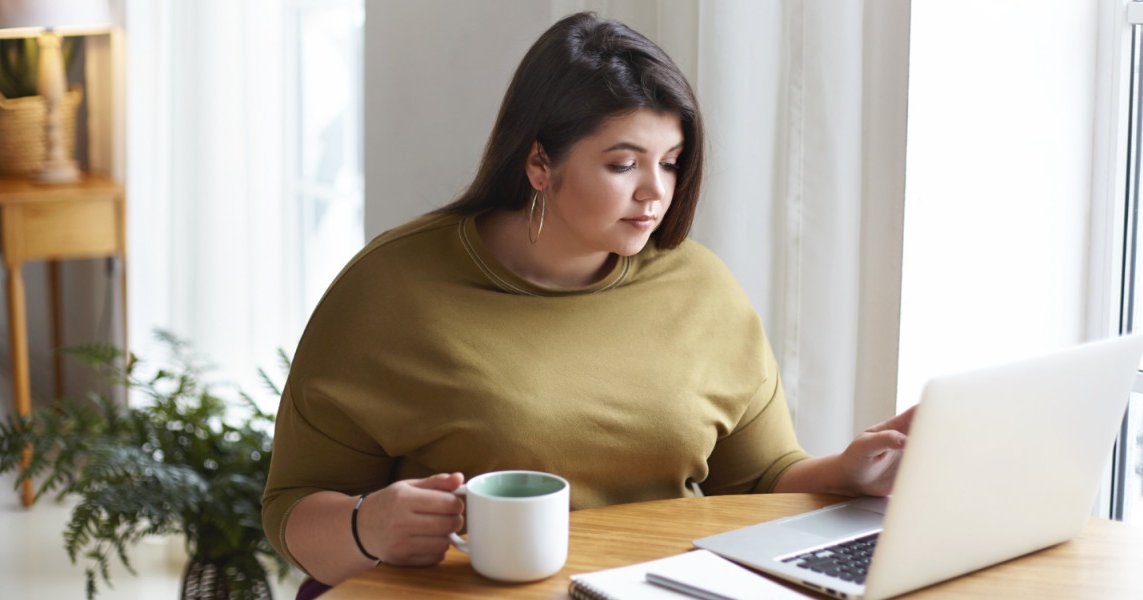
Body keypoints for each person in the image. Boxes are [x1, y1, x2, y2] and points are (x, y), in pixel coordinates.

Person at [261, 11, 915, 596]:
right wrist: (366, 526)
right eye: (623, 164)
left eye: (672, 160)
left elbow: (758, 481)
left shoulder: (700, 286)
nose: (655, 193)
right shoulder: (391, 288)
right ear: (540, 163)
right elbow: (290, 509)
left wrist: (849, 472)